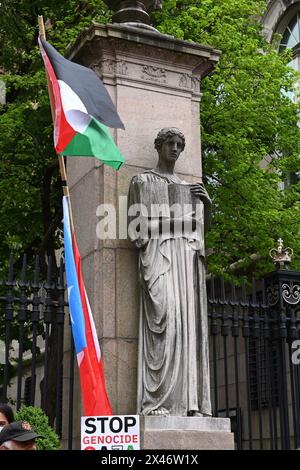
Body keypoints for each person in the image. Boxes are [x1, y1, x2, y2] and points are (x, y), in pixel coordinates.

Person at [128, 127, 212, 417]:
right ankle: (157, 401)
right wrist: (176, 222)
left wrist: (207, 207)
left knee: (186, 327)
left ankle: (188, 403)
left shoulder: (189, 188)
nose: (175, 148)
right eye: (170, 143)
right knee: (163, 321)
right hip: (158, 258)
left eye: (180, 144)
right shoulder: (142, 181)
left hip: (184, 261)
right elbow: (136, 230)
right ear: (159, 146)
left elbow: (200, 232)